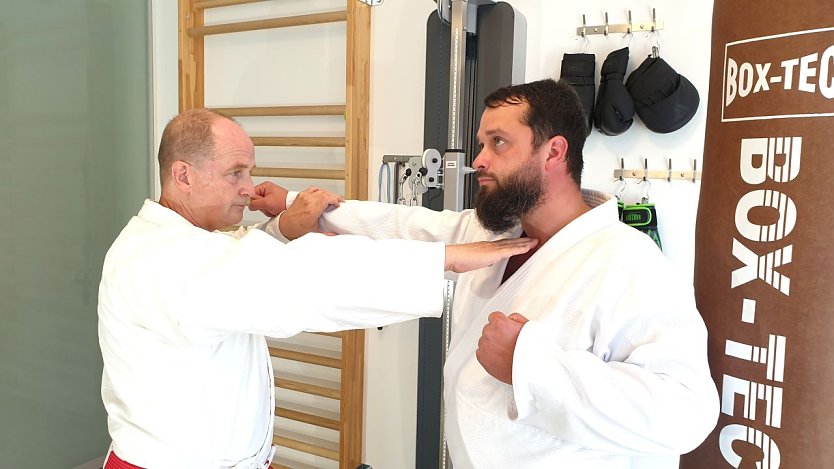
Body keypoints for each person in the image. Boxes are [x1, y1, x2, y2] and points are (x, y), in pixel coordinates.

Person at [253, 79, 720, 468]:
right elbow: (409, 227)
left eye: (498, 143)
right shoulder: (499, 232)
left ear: (553, 152)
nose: (479, 160)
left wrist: (528, 364)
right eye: (482, 144)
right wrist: (297, 205)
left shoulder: (628, 262)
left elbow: (686, 414)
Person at [96, 109, 536, 469]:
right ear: (184, 176)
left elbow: (235, 268)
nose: (249, 189)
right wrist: (442, 260)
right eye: (235, 173)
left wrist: (283, 226)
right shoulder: (163, 261)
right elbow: (293, 280)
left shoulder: (182, 245)